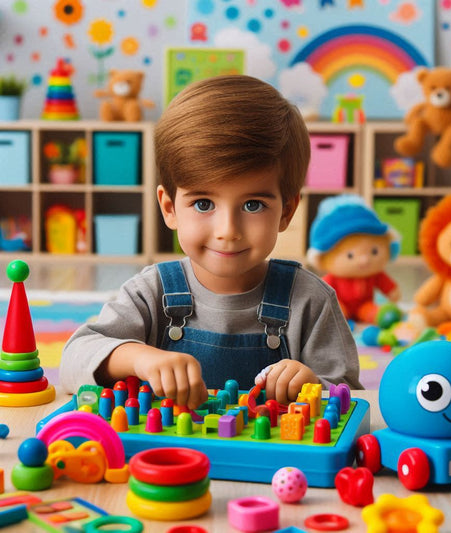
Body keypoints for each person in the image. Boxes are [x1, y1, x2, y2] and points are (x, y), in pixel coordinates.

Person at [60, 75, 362, 409]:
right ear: (170, 208)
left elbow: (348, 395)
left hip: (272, 462)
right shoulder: (151, 292)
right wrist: (141, 359)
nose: (227, 230)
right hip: (164, 459)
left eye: (253, 205)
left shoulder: (311, 301)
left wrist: (309, 384)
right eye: (204, 204)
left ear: (286, 211)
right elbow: (74, 359)